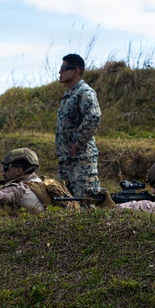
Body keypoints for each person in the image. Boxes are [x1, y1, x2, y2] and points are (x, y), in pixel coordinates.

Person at [55, 54, 102, 200]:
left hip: (82, 160)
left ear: (76, 71)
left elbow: (94, 116)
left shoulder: (84, 92)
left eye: (64, 68)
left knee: (86, 201)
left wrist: (77, 141)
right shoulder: (69, 95)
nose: (60, 72)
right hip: (67, 159)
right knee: (68, 203)